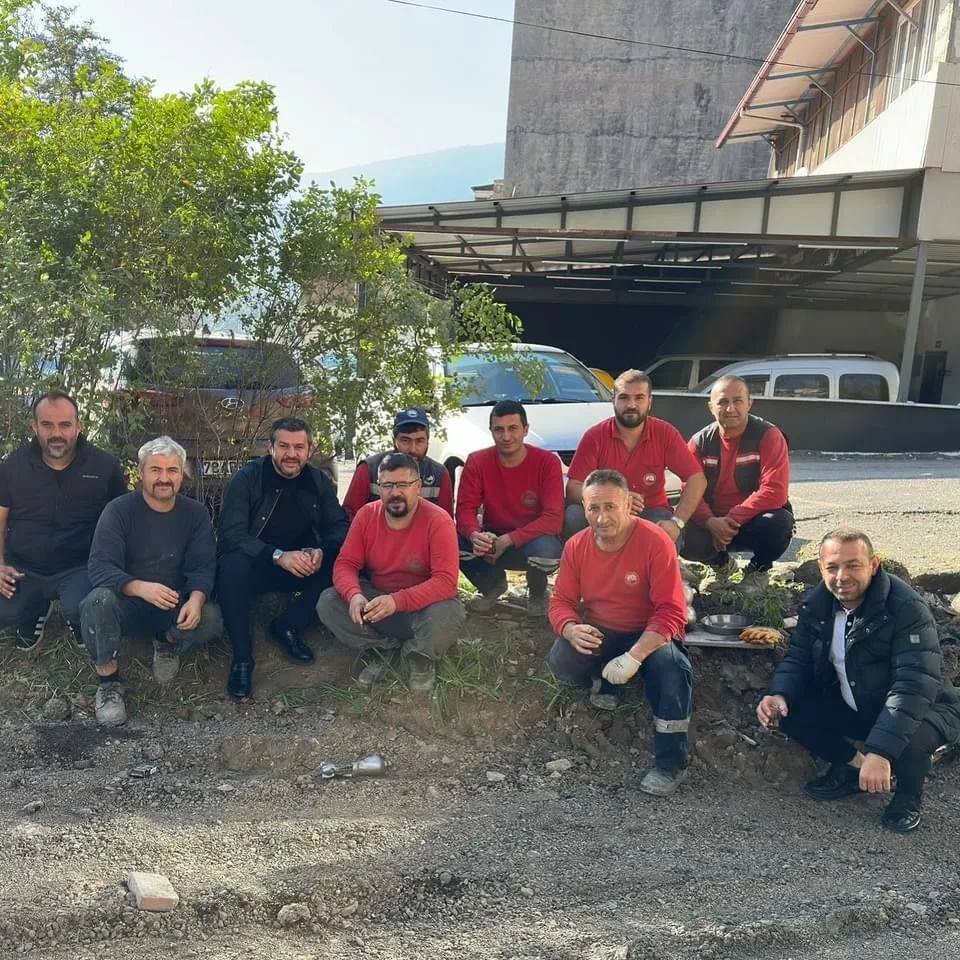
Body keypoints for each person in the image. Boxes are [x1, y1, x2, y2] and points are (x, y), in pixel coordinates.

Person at [757, 528, 960, 833]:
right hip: (859, 700)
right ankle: (853, 767)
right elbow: (798, 658)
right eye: (832, 567)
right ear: (821, 567)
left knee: (911, 737)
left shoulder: (905, 608)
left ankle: (907, 796)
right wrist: (779, 694)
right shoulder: (817, 605)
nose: (842, 576)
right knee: (787, 712)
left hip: (926, 707)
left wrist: (881, 751)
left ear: (873, 565)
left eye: (853, 565)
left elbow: (913, 685)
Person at [546, 469, 692, 796]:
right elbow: (561, 601)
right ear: (583, 509)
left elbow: (671, 611)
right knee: (561, 657)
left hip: (650, 634)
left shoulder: (655, 541)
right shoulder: (576, 546)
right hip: (603, 629)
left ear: (628, 505)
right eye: (593, 508)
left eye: (610, 507)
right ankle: (604, 680)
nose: (601, 517)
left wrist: (636, 655)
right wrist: (570, 628)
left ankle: (671, 762)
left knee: (672, 669)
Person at [80, 437, 222, 726]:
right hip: (128, 603)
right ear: (141, 473)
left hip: (173, 604)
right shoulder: (118, 511)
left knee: (212, 618)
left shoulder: (196, 514)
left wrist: (195, 599)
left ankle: (166, 641)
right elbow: (100, 566)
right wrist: (140, 587)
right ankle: (108, 683)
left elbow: (203, 567)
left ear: (182, 475)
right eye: (155, 470)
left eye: (172, 470)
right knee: (95, 601)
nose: (164, 478)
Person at [216, 417, 349, 701]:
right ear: (270, 447)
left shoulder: (317, 480)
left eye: (299, 447)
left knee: (342, 560)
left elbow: (339, 525)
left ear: (309, 450)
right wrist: (276, 556)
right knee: (230, 566)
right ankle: (242, 659)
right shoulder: (247, 478)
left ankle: (288, 626)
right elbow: (230, 534)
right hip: (257, 563)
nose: (291, 454)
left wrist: (322, 550)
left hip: (301, 564)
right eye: (284, 446)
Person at [317, 452, 465, 693]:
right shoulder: (366, 515)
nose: (395, 493)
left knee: (448, 612)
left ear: (417, 486)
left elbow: (446, 582)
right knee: (328, 602)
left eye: (403, 485)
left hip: (423, 609)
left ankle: (420, 658)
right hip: (378, 604)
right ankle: (383, 650)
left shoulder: (439, 520)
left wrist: (398, 601)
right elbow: (345, 563)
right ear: (379, 487)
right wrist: (354, 594)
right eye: (387, 485)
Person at [0, 391, 127, 649]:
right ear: (34, 426)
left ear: (79, 426)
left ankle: (75, 614)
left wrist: (113, 569)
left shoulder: (104, 466)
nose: (56, 433)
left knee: (91, 609)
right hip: (23, 568)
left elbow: (121, 524)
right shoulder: (13, 466)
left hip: (80, 568)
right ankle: (34, 609)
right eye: (47, 425)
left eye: (65, 424)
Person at [564, 369, 706, 545]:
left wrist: (677, 522)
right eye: (624, 398)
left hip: (651, 511)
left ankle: (664, 569)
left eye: (639, 398)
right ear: (613, 400)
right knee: (574, 515)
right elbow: (573, 488)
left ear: (650, 402)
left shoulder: (665, 433)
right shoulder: (595, 436)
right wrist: (616, 497)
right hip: (605, 511)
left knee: (665, 532)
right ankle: (591, 569)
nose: (631, 405)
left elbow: (697, 479)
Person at [682, 375, 793, 585]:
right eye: (722, 402)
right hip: (713, 525)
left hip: (751, 522)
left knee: (779, 523)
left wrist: (730, 520)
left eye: (737, 401)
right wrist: (710, 521)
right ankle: (720, 566)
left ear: (749, 403)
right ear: (711, 407)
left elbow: (775, 491)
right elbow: (690, 491)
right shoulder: (698, 443)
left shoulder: (769, 435)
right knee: (678, 527)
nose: (730, 408)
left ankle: (757, 572)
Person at [456, 400, 564, 616]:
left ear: (525, 430)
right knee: (451, 539)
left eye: (513, 428)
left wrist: (509, 539)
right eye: (499, 430)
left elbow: (553, 518)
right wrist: (475, 534)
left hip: (531, 540)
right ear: (491, 432)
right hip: (492, 541)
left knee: (547, 550)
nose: (506, 437)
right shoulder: (477, 461)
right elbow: (464, 510)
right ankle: (491, 586)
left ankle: (537, 592)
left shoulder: (547, 462)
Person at [341, 408, 453, 520]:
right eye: (405, 440)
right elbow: (349, 516)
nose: (413, 449)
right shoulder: (368, 469)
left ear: (428, 441)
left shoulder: (439, 474)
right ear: (394, 441)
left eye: (419, 441)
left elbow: (446, 521)